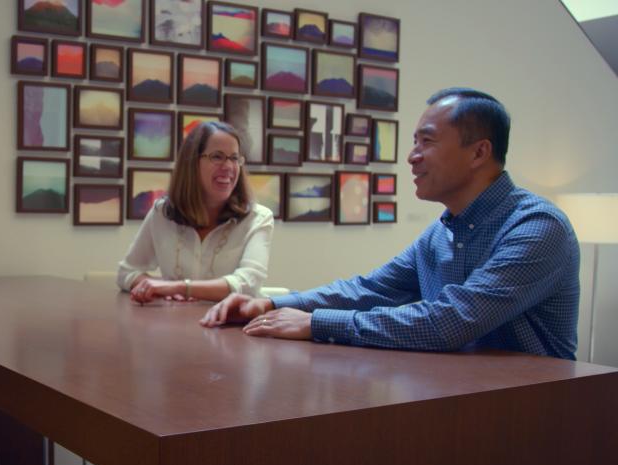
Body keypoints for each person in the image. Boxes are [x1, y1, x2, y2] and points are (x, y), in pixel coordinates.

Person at [201, 88, 580, 360]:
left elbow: (451, 322)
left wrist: (317, 324)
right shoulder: (444, 230)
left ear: (479, 151)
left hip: (532, 417)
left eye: (426, 142)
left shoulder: (537, 227)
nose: (412, 157)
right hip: (463, 403)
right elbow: (370, 289)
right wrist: (268, 303)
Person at [117, 121, 274, 303]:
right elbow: (126, 272)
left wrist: (180, 288)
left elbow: (247, 284)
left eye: (234, 158)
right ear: (192, 162)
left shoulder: (258, 218)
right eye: (217, 157)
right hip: (173, 325)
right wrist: (154, 287)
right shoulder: (162, 212)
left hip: (231, 327)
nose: (229, 167)